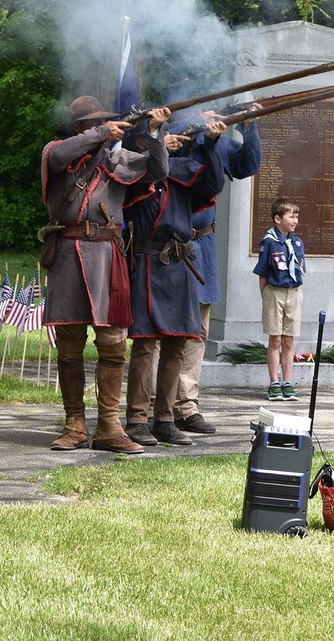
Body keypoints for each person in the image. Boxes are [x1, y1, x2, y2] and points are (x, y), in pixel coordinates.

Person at [41, 95, 170, 453]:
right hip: (67, 251)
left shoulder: (116, 159)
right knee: (69, 342)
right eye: (94, 124)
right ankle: (74, 424)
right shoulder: (60, 152)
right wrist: (100, 132)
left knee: (113, 341)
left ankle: (110, 427)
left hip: (108, 253)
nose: (105, 129)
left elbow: (157, 172)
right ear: (82, 128)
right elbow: (57, 155)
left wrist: (155, 134)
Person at [123, 116, 226, 446]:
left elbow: (212, 185)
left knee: (177, 344)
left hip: (179, 264)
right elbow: (153, 168)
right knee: (144, 345)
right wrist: (156, 141)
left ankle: (165, 419)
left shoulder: (182, 171)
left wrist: (210, 142)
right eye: (157, 138)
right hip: (148, 262)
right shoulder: (137, 168)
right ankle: (137, 418)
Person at [172, 107, 263, 435]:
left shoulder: (218, 140)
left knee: (198, 330)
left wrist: (249, 126)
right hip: (169, 246)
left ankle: (186, 404)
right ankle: (156, 406)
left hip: (203, 247)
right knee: (165, 331)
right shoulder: (176, 135)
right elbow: (179, 153)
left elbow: (246, 165)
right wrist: (200, 131)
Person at [253, 196, 306, 401]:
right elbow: (263, 274)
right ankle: (274, 382)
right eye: (290, 216)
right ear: (277, 219)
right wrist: (265, 297)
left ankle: (287, 382)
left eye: (296, 217)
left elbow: (300, 270)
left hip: (293, 293)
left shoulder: (298, 243)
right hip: (273, 292)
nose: (294, 220)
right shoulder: (268, 242)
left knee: (288, 339)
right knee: (275, 338)